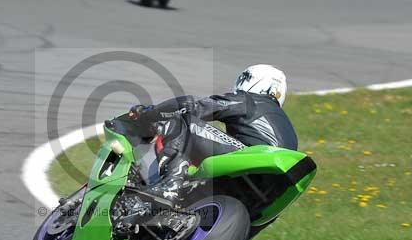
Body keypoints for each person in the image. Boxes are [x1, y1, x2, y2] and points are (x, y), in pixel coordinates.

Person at [113, 64, 297, 208]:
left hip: (251, 159)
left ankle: (170, 186)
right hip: (271, 191)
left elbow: (195, 106)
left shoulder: (250, 101)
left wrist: (150, 113)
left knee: (184, 121)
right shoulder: (287, 128)